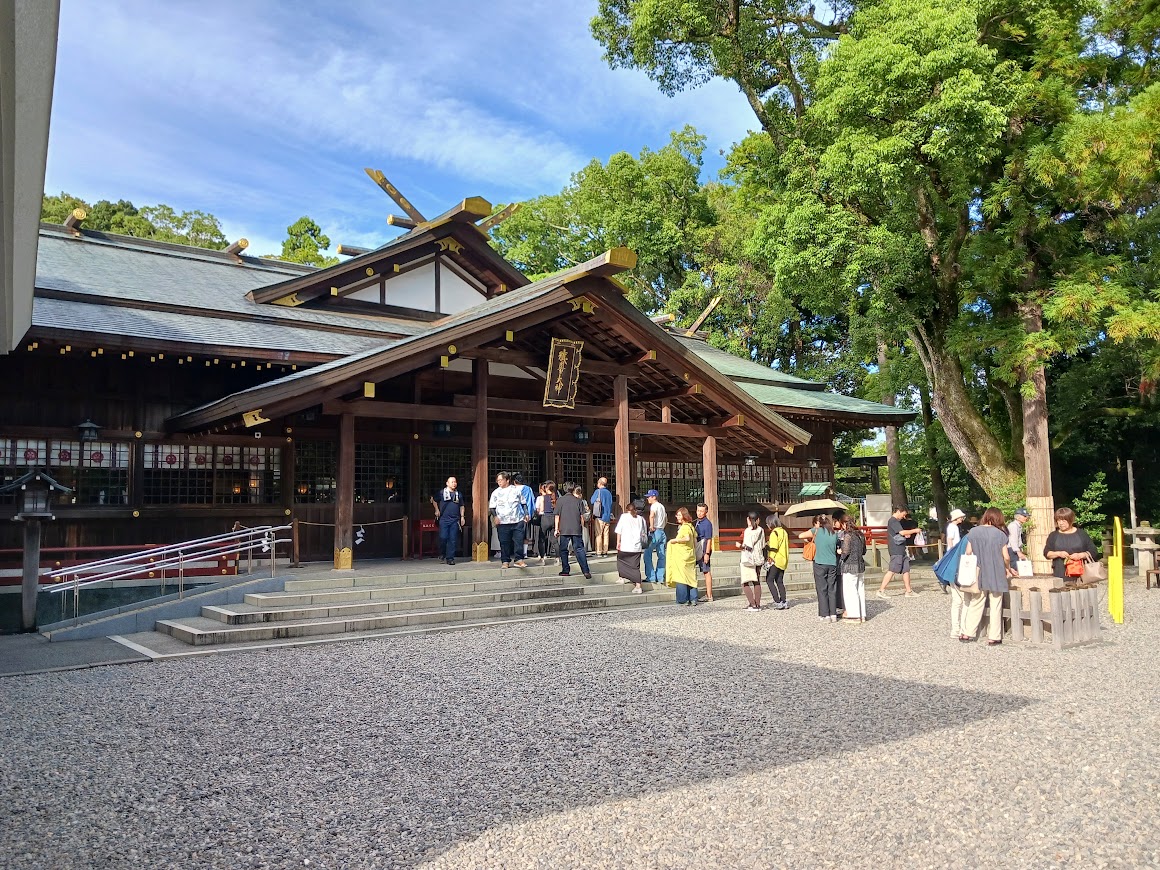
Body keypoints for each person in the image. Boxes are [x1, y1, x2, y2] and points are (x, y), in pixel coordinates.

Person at [961, 507, 1015, 645]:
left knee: (976, 602)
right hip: (996, 572)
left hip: (979, 572)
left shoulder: (973, 532)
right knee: (996, 604)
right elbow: (1006, 557)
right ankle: (994, 636)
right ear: (998, 518)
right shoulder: (1000, 534)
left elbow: (968, 552)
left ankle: (967, 633)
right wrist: (1008, 568)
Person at [1043, 507, 1101, 581]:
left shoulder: (1081, 534)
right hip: (1060, 575)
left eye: (1063, 520)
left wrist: (1080, 555)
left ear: (1071, 520)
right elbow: (1046, 553)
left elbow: (1094, 551)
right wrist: (1059, 553)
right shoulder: (1053, 535)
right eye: (1058, 520)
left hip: (1081, 575)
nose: (1060, 523)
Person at [801, 515, 840, 622]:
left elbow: (801, 535)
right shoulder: (834, 533)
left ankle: (825, 614)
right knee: (832, 589)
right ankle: (833, 614)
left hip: (820, 563)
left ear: (818, 523)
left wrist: (808, 539)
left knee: (822, 589)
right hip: (832, 563)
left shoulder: (816, 531)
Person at [877, 505, 921, 599]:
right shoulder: (893, 520)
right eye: (903, 514)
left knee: (906, 570)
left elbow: (899, 534)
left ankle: (909, 591)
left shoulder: (896, 521)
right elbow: (901, 532)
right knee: (892, 570)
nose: (903, 517)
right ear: (899, 511)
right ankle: (881, 590)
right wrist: (914, 531)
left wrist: (906, 535)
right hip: (896, 549)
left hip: (901, 548)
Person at [554, 483, 593, 579]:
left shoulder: (560, 501)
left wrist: (556, 529)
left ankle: (565, 570)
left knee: (563, 550)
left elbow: (557, 516)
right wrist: (582, 526)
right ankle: (585, 571)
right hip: (576, 528)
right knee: (579, 549)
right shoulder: (578, 501)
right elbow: (582, 516)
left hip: (564, 528)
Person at [488, 472, 526, 569]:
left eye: (501, 480)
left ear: (507, 480)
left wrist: (526, 514)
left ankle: (519, 559)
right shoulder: (496, 492)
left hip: (517, 520)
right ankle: (505, 560)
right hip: (503, 521)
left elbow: (523, 503)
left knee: (518, 540)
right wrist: (495, 516)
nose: (499, 482)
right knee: (504, 542)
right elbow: (492, 507)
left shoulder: (516, 490)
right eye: (498, 480)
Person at [666, 507, 699, 606]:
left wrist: (674, 540)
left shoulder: (684, 527)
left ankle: (682, 599)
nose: (677, 517)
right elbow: (694, 540)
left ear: (684, 516)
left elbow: (687, 538)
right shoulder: (691, 526)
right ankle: (693, 599)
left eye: (679, 515)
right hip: (690, 555)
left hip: (682, 557)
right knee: (691, 578)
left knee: (681, 577)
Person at [614, 498, 648, 594]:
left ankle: (622, 577)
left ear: (627, 509)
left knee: (621, 562)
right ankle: (638, 585)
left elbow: (619, 531)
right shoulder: (641, 519)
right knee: (635, 566)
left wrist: (618, 542)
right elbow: (644, 532)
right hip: (636, 546)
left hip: (626, 544)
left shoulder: (624, 517)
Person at [430, 476, 465, 565]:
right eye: (452, 482)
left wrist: (462, 516)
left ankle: (450, 558)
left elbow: (461, 505)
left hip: (454, 520)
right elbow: (434, 500)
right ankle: (442, 553)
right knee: (443, 537)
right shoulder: (442, 493)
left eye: (455, 482)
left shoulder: (458, 494)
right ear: (447, 483)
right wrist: (437, 510)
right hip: (444, 519)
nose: (454, 483)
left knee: (452, 539)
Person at [838, 516, 867, 622]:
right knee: (860, 590)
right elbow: (864, 551)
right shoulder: (861, 535)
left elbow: (846, 551)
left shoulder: (848, 535)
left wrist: (840, 553)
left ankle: (854, 615)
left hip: (850, 565)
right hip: (860, 565)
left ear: (845, 524)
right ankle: (862, 614)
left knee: (850, 590)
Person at [736, 511, 766, 611]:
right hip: (758, 558)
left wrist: (739, 546)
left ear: (748, 519)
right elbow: (762, 545)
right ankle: (757, 604)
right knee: (756, 581)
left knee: (745, 582)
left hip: (749, 559)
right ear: (758, 520)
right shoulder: (761, 530)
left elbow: (748, 547)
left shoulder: (748, 531)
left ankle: (752, 604)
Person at [763, 513, 790, 610]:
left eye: (767, 523)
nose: (767, 525)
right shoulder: (784, 532)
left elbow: (774, 548)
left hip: (775, 560)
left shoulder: (774, 533)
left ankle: (777, 601)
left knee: (769, 580)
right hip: (783, 559)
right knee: (779, 581)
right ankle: (784, 601)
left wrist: (769, 557)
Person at [643, 490, 667, 586]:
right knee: (661, 555)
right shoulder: (662, 506)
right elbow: (666, 518)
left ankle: (651, 576)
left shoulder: (654, 506)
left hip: (655, 530)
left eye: (649, 496)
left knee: (647, 553)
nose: (647, 498)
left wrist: (651, 526)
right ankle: (660, 576)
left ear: (654, 497)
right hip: (662, 530)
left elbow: (652, 516)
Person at [512, 472, 537, 561]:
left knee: (516, 535)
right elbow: (532, 501)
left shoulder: (512, 489)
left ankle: (516, 553)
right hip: (527, 515)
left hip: (515, 515)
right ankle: (525, 552)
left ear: (514, 481)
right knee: (526, 534)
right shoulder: (528, 489)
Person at [694, 503, 714, 602]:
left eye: (702, 511)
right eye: (698, 511)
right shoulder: (697, 521)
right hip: (697, 547)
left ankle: (709, 595)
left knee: (706, 571)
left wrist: (707, 553)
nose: (699, 513)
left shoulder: (707, 523)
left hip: (704, 548)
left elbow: (709, 539)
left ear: (706, 512)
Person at [589, 477, 614, 557]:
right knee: (606, 534)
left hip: (600, 515)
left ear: (599, 483)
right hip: (607, 516)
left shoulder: (598, 491)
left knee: (599, 534)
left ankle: (599, 551)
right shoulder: (609, 493)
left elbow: (592, 501)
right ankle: (605, 551)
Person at [535, 482, 557, 564]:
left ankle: (542, 558)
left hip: (544, 518)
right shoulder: (555, 497)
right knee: (554, 539)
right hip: (554, 518)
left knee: (542, 539)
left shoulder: (542, 498)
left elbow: (538, 509)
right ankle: (558, 558)